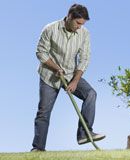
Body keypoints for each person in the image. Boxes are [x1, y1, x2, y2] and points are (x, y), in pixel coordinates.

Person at [31, 4, 105, 152]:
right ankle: (38, 149)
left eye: (82, 24)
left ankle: (84, 133)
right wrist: (56, 68)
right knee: (43, 112)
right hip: (49, 76)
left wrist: (75, 81)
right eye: (78, 23)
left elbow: (84, 58)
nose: (79, 27)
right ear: (70, 17)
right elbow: (41, 53)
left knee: (91, 94)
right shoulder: (50, 29)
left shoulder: (84, 34)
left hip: (71, 74)